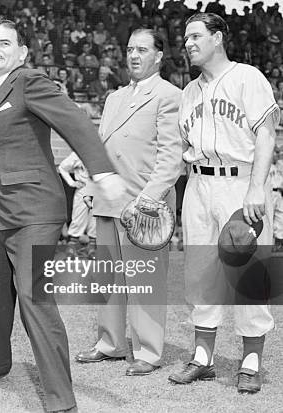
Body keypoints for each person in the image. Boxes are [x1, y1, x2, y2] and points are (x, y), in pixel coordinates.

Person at [0, 18, 126, 412]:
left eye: (4, 43)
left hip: (33, 209)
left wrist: (101, 171)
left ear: (22, 52)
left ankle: (61, 401)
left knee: (35, 299)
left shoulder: (29, 81)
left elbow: (75, 121)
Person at [168, 13, 280, 394]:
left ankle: (251, 360)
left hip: (241, 183)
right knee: (200, 272)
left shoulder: (248, 77)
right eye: (185, 38)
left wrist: (255, 188)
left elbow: (266, 135)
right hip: (199, 183)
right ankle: (203, 358)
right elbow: (183, 146)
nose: (188, 43)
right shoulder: (189, 91)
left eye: (196, 36)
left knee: (249, 272)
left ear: (218, 38)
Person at [75, 28, 182, 376]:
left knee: (144, 280)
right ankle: (111, 343)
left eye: (142, 49)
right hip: (109, 200)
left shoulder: (170, 95)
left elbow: (170, 158)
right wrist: (92, 189)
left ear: (159, 55)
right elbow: (101, 149)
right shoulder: (114, 98)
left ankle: (148, 352)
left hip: (144, 205)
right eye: (130, 49)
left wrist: (147, 201)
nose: (134, 55)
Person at [58, 151, 96, 255]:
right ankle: (72, 246)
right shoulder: (79, 153)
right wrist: (72, 182)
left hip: (100, 190)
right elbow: (62, 167)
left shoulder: (105, 151)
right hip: (83, 188)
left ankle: (92, 246)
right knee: (78, 217)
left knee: (95, 219)